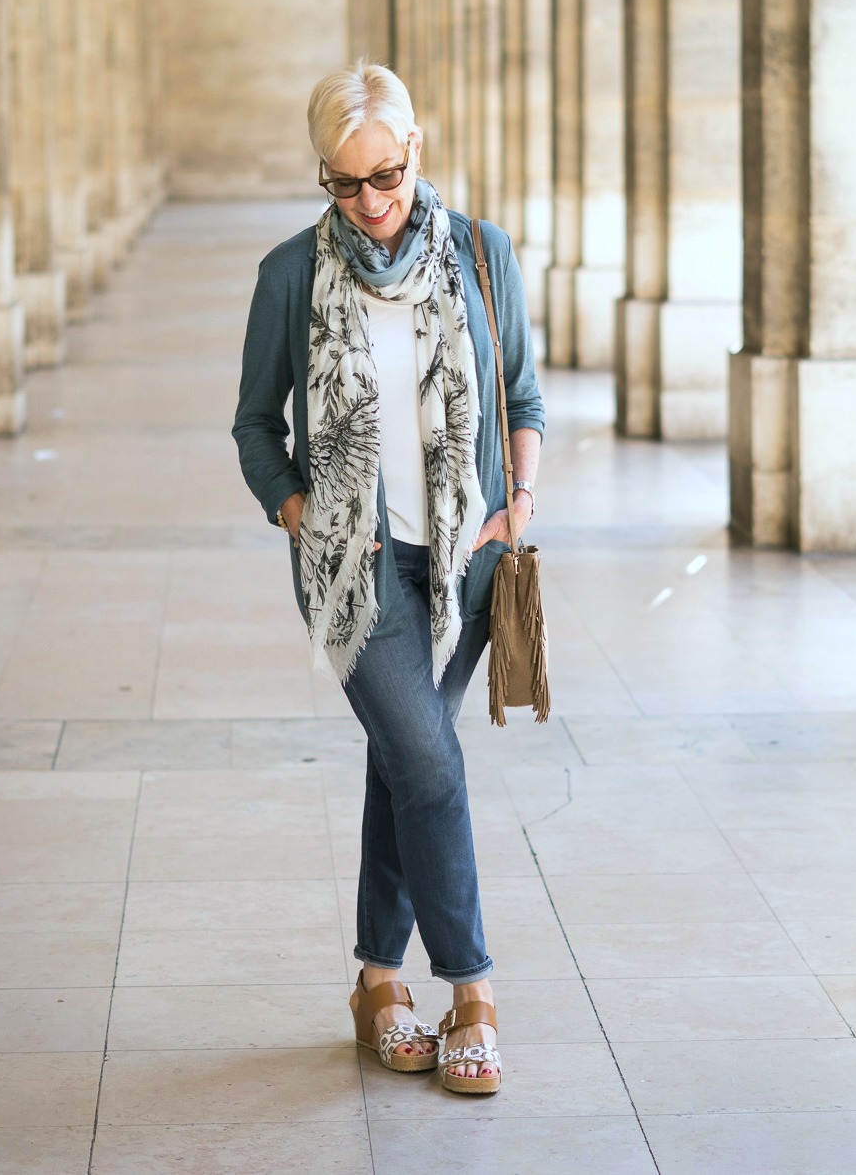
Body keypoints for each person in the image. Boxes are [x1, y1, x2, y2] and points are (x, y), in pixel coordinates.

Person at [232, 60, 544, 1094]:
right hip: (353, 577)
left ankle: (376, 981)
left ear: (418, 151)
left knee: (402, 767)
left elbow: (524, 402)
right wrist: (300, 512)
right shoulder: (291, 276)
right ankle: (472, 992)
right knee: (430, 766)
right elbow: (255, 429)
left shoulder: (484, 257)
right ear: (323, 176)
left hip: (468, 562)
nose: (372, 203)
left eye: (388, 177)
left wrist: (517, 509)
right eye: (345, 183)